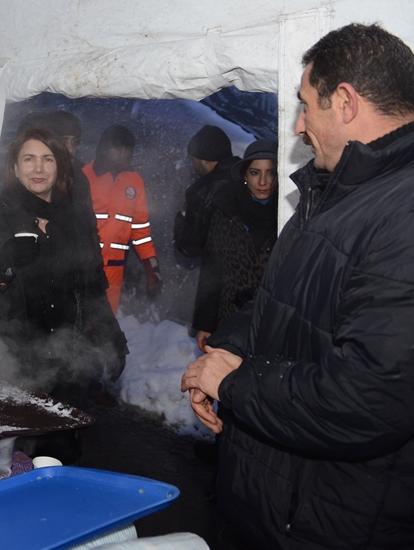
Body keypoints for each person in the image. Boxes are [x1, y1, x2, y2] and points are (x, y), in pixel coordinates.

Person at [181, 23, 414, 549]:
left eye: (307, 105)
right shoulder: (338, 188)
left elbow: (368, 399)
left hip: (330, 522)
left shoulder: (402, 211)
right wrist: (224, 349)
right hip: (277, 504)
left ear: (347, 102)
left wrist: (234, 385)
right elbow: (286, 305)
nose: (299, 125)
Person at [0, 127, 129, 427]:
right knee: (10, 452)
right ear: (14, 167)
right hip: (7, 360)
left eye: (48, 159)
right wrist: (5, 259)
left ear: (60, 168)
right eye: (29, 159)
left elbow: (92, 285)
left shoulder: (77, 218)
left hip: (68, 362)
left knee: (60, 452)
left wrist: (112, 336)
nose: (38, 168)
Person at [191, 139, 278, 352]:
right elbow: (212, 272)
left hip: (274, 322)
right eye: (255, 172)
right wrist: (204, 324)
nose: (263, 181)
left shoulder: (289, 215)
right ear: (245, 176)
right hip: (231, 318)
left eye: (271, 172)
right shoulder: (227, 211)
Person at [82, 125, 162, 314]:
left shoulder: (135, 181)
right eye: (118, 148)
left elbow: (141, 231)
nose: (124, 154)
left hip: (114, 270)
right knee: (78, 322)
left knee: (106, 325)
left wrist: (152, 268)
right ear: (104, 148)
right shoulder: (83, 176)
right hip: (83, 266)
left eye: (128, 149)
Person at [173, 125, 241, 267]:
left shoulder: (202, 191)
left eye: (194, 160)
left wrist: (180, 222)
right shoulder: (248, 177)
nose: (192, 166)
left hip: (218, 277)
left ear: (206, 159)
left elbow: (189, 249)